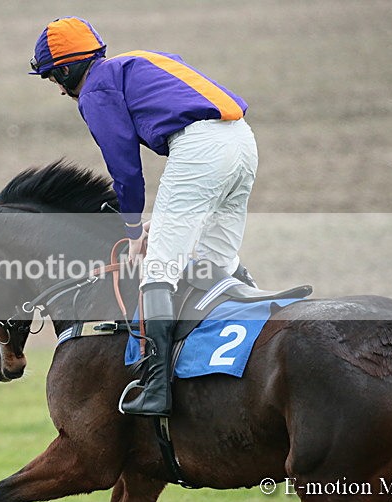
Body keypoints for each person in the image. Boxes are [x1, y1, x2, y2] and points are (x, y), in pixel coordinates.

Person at [30, 17, 259, 417]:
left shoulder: (95, 91)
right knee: (216, 262)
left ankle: (156, 388)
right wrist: (165, 221)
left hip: (200, 149)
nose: (60, 89)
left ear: (66, 70)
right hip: (242, 141)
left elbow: (125, 170)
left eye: (53, 78)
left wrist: (133, 228)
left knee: (158, 269)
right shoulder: (138, 60)